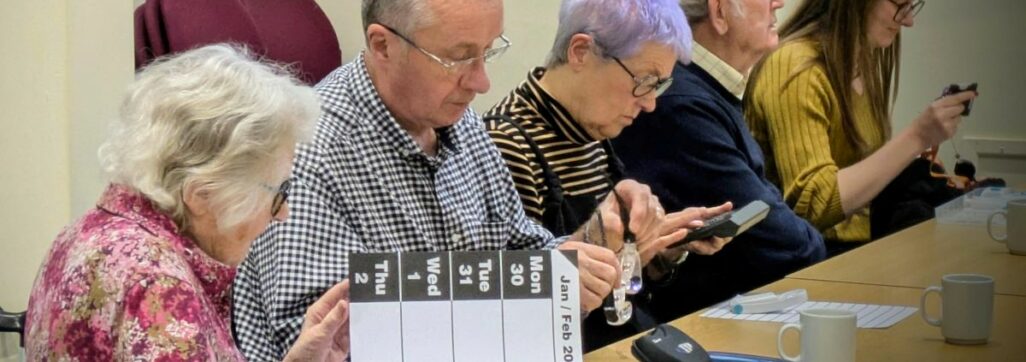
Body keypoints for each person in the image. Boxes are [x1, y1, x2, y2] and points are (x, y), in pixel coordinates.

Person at [231, 0, 681, 359]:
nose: (483, 81)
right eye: (459, 57)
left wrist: (583, 253)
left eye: (489, 51)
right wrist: (507, 302)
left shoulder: (455, 120)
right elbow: (321, 343)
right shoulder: (309, 153)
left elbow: (520, 249)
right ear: (382, 44)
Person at [23, 45, 350, 361]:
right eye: (278, 193)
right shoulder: (162, 291)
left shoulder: (88, 232)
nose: (283, 213)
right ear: (202, 194)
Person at [484, 0, 732, 348]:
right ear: (581, 52)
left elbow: (618, 281)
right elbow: (529, 308)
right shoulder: (507, 145)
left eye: (658, 86)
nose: (649, 104)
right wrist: (614, 256)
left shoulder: (591, 131)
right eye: (644, 81)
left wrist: (660, 248)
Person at [612, 0, 826, 321]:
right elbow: (789, 246)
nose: (778, 3)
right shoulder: (683, 106)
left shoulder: (707, 92)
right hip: (700, 325)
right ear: (720, 13)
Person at [743, 0, 978, 252]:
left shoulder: (860, 61)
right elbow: (813, 204)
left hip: (855, 249)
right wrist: (917, 137)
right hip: (810, 259)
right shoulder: (795, 66)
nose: (909, 20)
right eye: (900, 4)